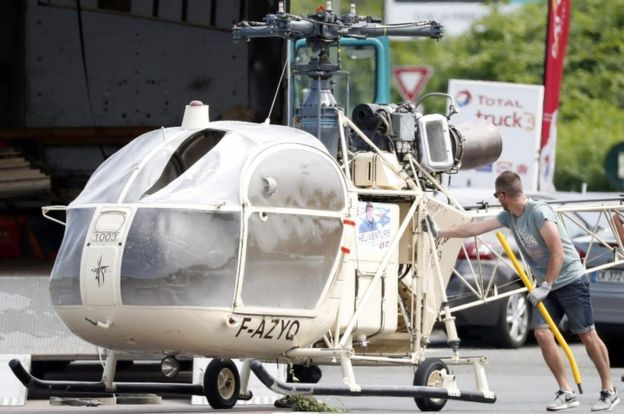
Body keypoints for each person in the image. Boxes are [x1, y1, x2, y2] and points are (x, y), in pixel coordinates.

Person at [432, 170, 619, 412]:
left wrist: (546, 285)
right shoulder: (509, 216)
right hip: (547, 286)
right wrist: (441, 232)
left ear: (503, 195)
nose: (497, 200)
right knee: (542, 333)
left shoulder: (539, 212)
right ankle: (566, 391)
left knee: (587, 335)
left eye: (497, 196)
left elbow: (558, 253)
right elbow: (475, 229)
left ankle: (609, 391)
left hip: (570, 281)